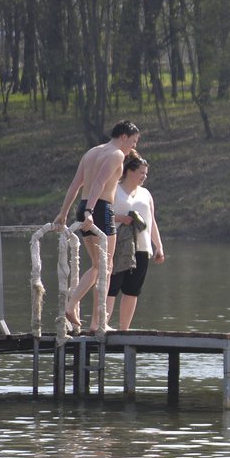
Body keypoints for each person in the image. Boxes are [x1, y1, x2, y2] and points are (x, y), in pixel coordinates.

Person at [53, 120, 142, 330]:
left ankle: (76, 308)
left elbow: (76, 184)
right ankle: (96, 320)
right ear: (123, 136)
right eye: (134, 141)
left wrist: (63, 213)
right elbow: (100, 183)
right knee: (106, 266)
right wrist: (90, 212)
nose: (134, 147)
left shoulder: (92, 152)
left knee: (97, 265)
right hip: (100, 208)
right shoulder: (116, 154)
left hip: (85, 204)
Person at [105, 151, 165, 330]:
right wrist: (120, 218)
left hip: (141, 246)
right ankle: (103, 324)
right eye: (141, 173)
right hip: (118, 245)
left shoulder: (146, 194)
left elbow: (151, 221)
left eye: (146, 174)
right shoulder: (114, 189)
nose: (144, 177)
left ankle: (124, 328)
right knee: (112, 287)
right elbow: (103, 215)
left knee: (132, 290)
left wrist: (159, 247)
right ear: (130, 171)